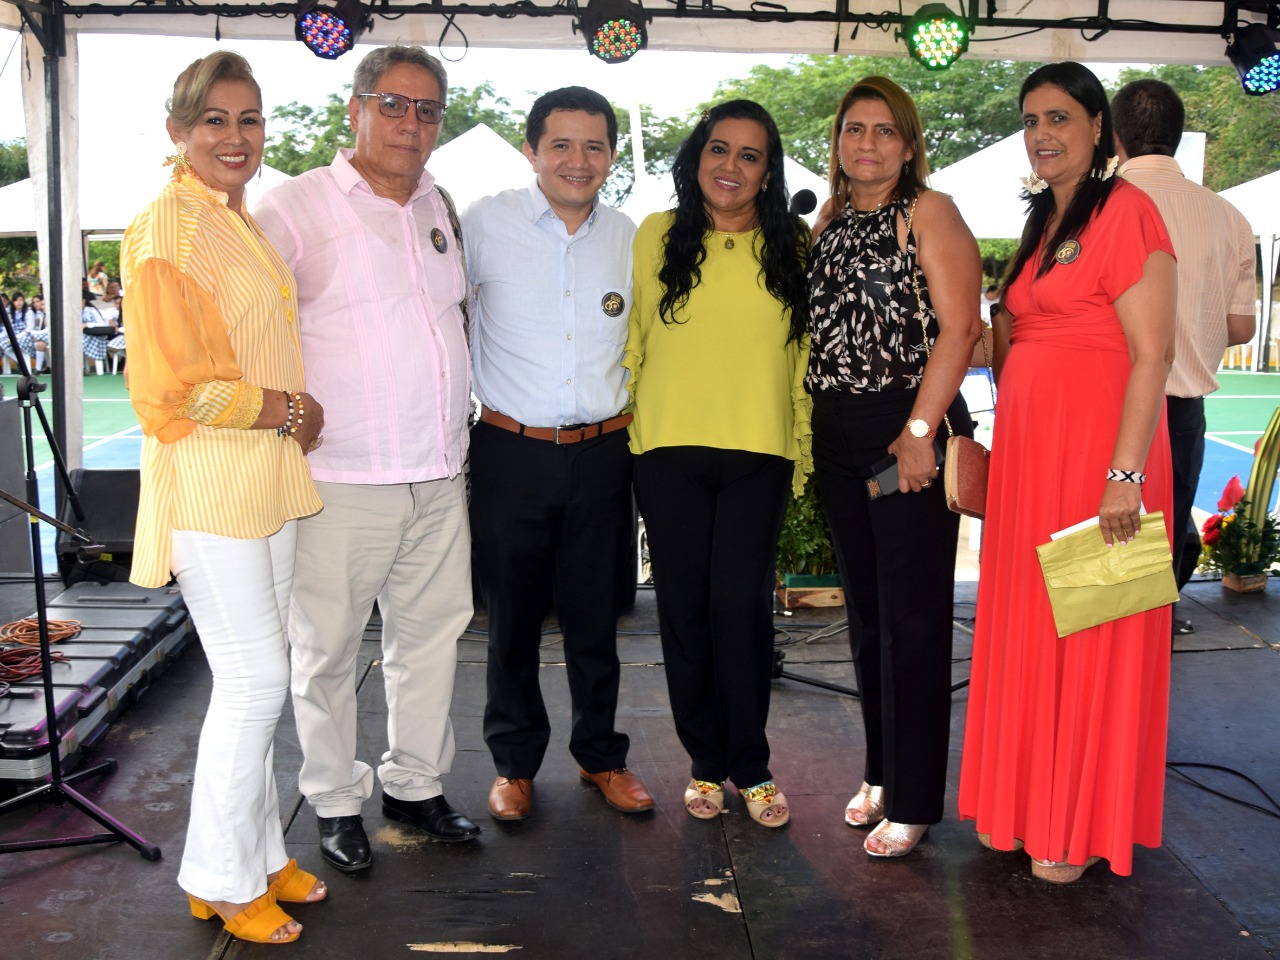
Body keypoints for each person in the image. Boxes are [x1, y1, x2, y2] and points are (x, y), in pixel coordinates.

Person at [254, 44, 478, 872]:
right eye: (393, 104)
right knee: (327, 651)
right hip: (340, 479)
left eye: (426, 110)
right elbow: (247, 324)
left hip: (440, 471)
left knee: (430, 641)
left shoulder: (437, 204)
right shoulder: (294, 208)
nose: (409, 123)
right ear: (354, 108)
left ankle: (415, 785)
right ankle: (334, 801)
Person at [121, 50, 326, 944]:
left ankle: (252, 851)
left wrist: (286, 419)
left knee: (261, 676)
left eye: (248, 120)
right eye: (215, 121)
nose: (234, 137)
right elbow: (172, 387)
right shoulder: (169, 227)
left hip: (264, 481)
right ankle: (216, 874)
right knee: (254, 682)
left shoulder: (235, 219)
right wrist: (285, 408)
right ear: (178, 132)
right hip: (210, 486)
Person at [958, 61, 1177, 883]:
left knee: (1092, 626)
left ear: (1099, 129)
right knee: (1026, 625)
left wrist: (1125, 477)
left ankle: (1077, 821)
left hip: (1099, 453)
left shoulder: (1130, 211)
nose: (1041, 134)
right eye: (1030, 120)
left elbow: (1151, 354)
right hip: (1028, 455)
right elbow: (1018, 339)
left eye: (1058, 117)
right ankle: (1019, 801)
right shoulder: (1042, 222)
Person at [463, 87, 653, 822]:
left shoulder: (631, 238)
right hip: (511, 451)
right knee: (509, 620)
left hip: (606, 454)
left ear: (611, 156)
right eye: (562, 145)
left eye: (595, 146)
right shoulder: (483, 224)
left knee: (596, 618)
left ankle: (601, 757)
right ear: (531, 150)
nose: (579, 161)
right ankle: (514, 765)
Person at [806, 76, 981, 857]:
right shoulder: (831, 219)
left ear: (909, 145)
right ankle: (881, 771)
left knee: (912, 622)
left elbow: (960, 328)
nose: (866, 143)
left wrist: (918, 430)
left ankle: (913, 800)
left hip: (904, 425)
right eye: (853, 129)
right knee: (870, 616)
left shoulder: (928, 211)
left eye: (883, 130)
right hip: (837, 431)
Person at [626, 100, 810, 828]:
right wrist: (633, 437)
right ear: (696, 157)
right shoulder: (655, 236)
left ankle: (752, 765)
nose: (730, 166)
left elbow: (799, 362)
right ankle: (705, 762)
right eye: (719, 150)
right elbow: (634, 339)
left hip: (757, 452)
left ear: (768, 171)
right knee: (683, 614)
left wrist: (796, 449)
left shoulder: (792, 245)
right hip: (667, 450)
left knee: (741, 613)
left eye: (749, 155)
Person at [1112, 78, 1258, 634]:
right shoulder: (1228, 216)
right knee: (1164, 537)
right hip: (1181, 409)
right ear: (1177, 137)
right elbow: (1241, 327)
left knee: (1094, 546)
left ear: (1114, 135)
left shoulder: (1094, 203)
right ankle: (1149, 653)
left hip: (1109, 399)